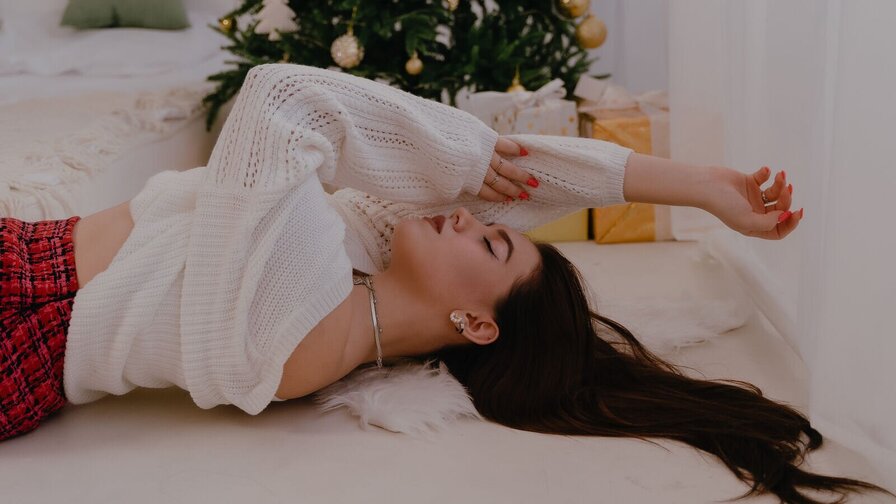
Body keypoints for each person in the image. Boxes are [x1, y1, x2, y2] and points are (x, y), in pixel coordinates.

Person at [0, 64, 889, 504]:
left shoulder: (300, 317)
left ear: (474, 323)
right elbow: (516, 176)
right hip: (24, 263)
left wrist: (459, 151)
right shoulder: (352, 262)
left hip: (20, 323)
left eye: (491, 245)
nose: (467, 215)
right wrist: (701, 186)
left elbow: (279, 99)